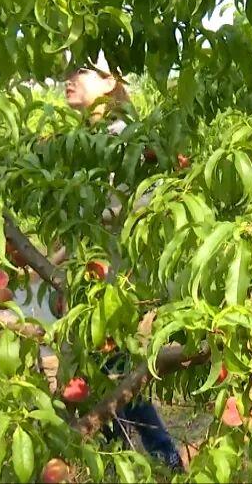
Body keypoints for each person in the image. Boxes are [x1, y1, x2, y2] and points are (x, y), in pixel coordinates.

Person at [59, 64, 185, 471]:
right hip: (96, 283)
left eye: (81, 69)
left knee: (118, 385)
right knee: (107, 386)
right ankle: (128, 466)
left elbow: (127, 209)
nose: (68, 78)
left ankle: (166, 464)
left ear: (111, 81)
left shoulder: (121, 138)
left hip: (113, 287)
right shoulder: (86, 141)